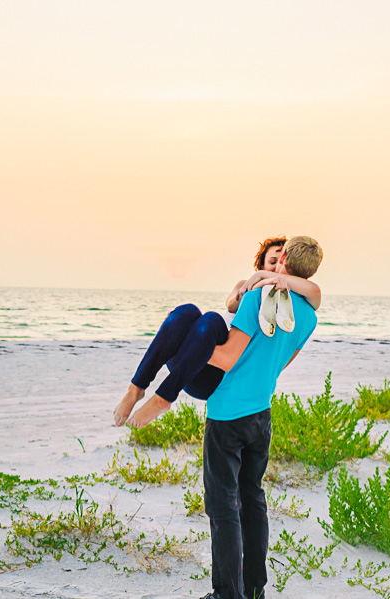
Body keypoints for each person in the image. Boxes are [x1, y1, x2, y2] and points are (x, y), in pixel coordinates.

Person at [130, 235, 323, 599]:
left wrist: (191, 349)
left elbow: (227, 358)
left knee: (223, 508)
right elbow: (282, 363)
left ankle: (226, 595)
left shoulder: (256, 300)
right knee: (252, 502)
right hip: (261, 415)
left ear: (281, 265)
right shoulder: (309, 317)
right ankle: (254, 591)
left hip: (227, 413)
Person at [113, 236, 320, 428]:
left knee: (210, 319)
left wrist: (266, 277)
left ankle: (163, 398)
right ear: (261, 264)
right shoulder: (248, 289)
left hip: (213, 376)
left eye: (281, 262)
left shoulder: (289, 299)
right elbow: (231, 305)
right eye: (271, 262)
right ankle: (136, 389)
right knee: (187, 311)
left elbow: (314, 292)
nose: (277, 267)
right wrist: (260, 282)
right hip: (190, 363)